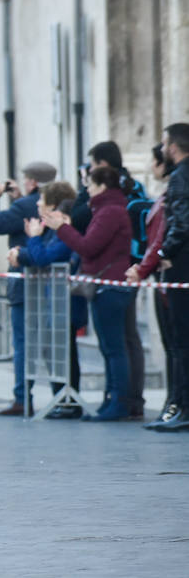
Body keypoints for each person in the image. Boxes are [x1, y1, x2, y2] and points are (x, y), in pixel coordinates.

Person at [44, 165, 134, 421]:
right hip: (104, 284)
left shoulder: (110, 212)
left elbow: (88, 246)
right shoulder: (105, 210)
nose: (87, 190)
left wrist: (62, 228)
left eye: (91, 185)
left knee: (114, 348)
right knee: (108, 347)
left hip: (110, 285)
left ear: (103, 187)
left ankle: (118, 402)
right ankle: (111, 400)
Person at [73, 141, 149, 417]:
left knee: (119, 342)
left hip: (116, 273)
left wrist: (85, 192)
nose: (89, 171)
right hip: (130, 268)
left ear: (103, 167)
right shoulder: (132, 189)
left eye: (93, 166)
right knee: (125, 340)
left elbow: (81, 228)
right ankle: (127, 399)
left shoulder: (110, 205)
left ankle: (124, 400)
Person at [0, 160, 58, 415]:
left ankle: (21, 397)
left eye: (26, 180)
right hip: (50, 283)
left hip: (24, 282)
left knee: (23, 343)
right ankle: (60, 393)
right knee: (52, 342)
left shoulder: (24, 206)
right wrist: (18, 198)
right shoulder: (52, 202)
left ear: (33, 182)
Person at [9, 181, 81, 418]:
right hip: (54, 298)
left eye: (41, 200)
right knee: (56, 350)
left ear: (52, 205)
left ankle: (68, 399)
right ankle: (61, 397)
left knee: (64, 350)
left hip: (66, 300)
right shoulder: (53, 229)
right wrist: (21, 253)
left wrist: (33, 238)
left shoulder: (64, 229)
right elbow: (39, 254)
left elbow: (45, 256)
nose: (37, 203)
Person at [126, 145, 177, 424]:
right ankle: (174, 401)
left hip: (170, 275)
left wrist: (144, 268)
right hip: (162, 273)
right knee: (173, 346)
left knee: (176, 345)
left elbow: (162, 237)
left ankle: (176, 404)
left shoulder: (176, 190)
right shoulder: (168, 192)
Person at [145, 123, 189, 431]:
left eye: (163, 145)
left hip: (181, 267)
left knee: (180, 338)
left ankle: (182, 407)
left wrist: (162, 256)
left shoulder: (180, 178)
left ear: (173, 148)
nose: (161, 151)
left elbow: (181, 224)